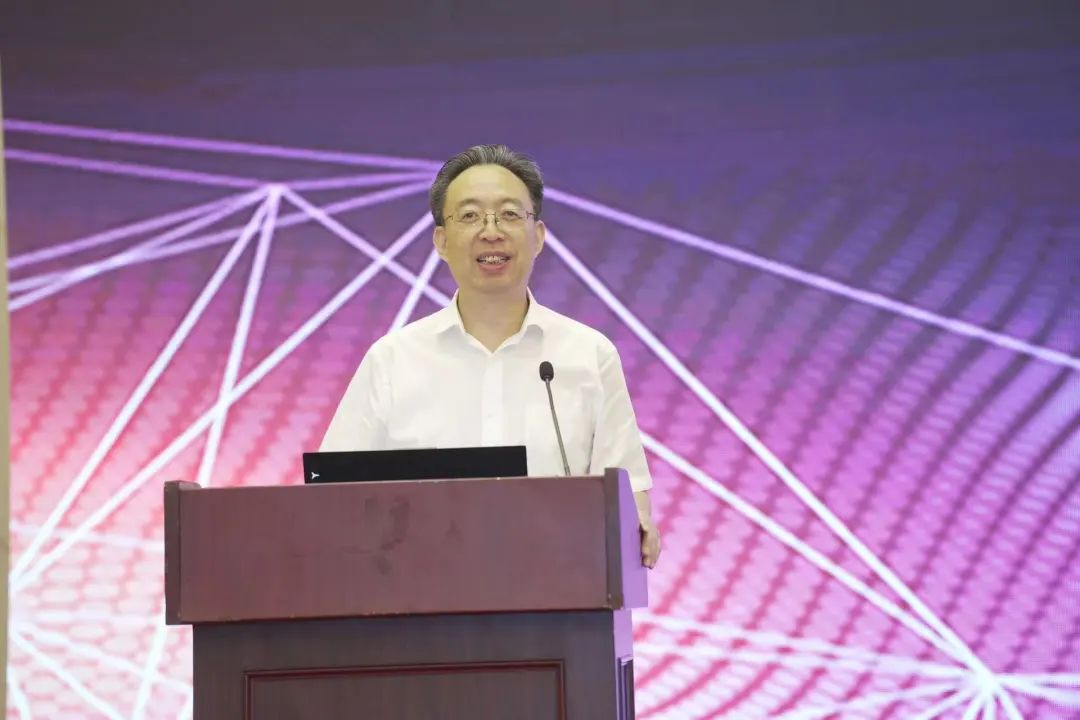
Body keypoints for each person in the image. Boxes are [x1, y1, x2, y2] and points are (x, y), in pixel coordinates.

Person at [320, 144, 661, 568]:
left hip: (558, 594)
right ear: (441, 242)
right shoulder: (392, 360)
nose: (491, 231)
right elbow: (332, 497)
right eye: (469, 216)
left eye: (509, 214)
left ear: (538, 236)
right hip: (420, 594)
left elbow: (628, 492)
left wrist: (638, 524)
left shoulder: (588, 354)